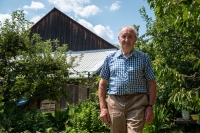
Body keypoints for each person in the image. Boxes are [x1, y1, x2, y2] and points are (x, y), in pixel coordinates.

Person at [98, 26, 156, 133]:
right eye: (123, 36)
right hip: (115, 101)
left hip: (137, 101)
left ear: (135, 39)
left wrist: (150, 106)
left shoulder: (144, 58)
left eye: (130, 36)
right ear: (118, 38)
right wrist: (103, 108)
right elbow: (103, 84)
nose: (126, 39)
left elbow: (151, 83)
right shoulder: (110, 58)